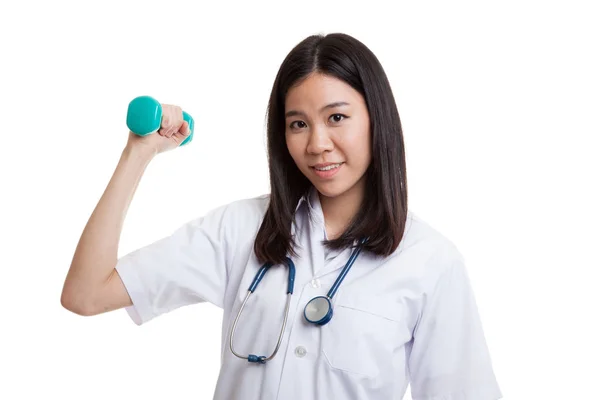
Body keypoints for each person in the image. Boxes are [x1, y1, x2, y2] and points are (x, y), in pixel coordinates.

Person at [61, 32, 502, 400]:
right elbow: (85, 294)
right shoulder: (238, 230)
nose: (317, 144)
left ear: (376, 120)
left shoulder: (429, 261)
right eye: (298, 124)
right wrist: (137, 154)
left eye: (337, 117)